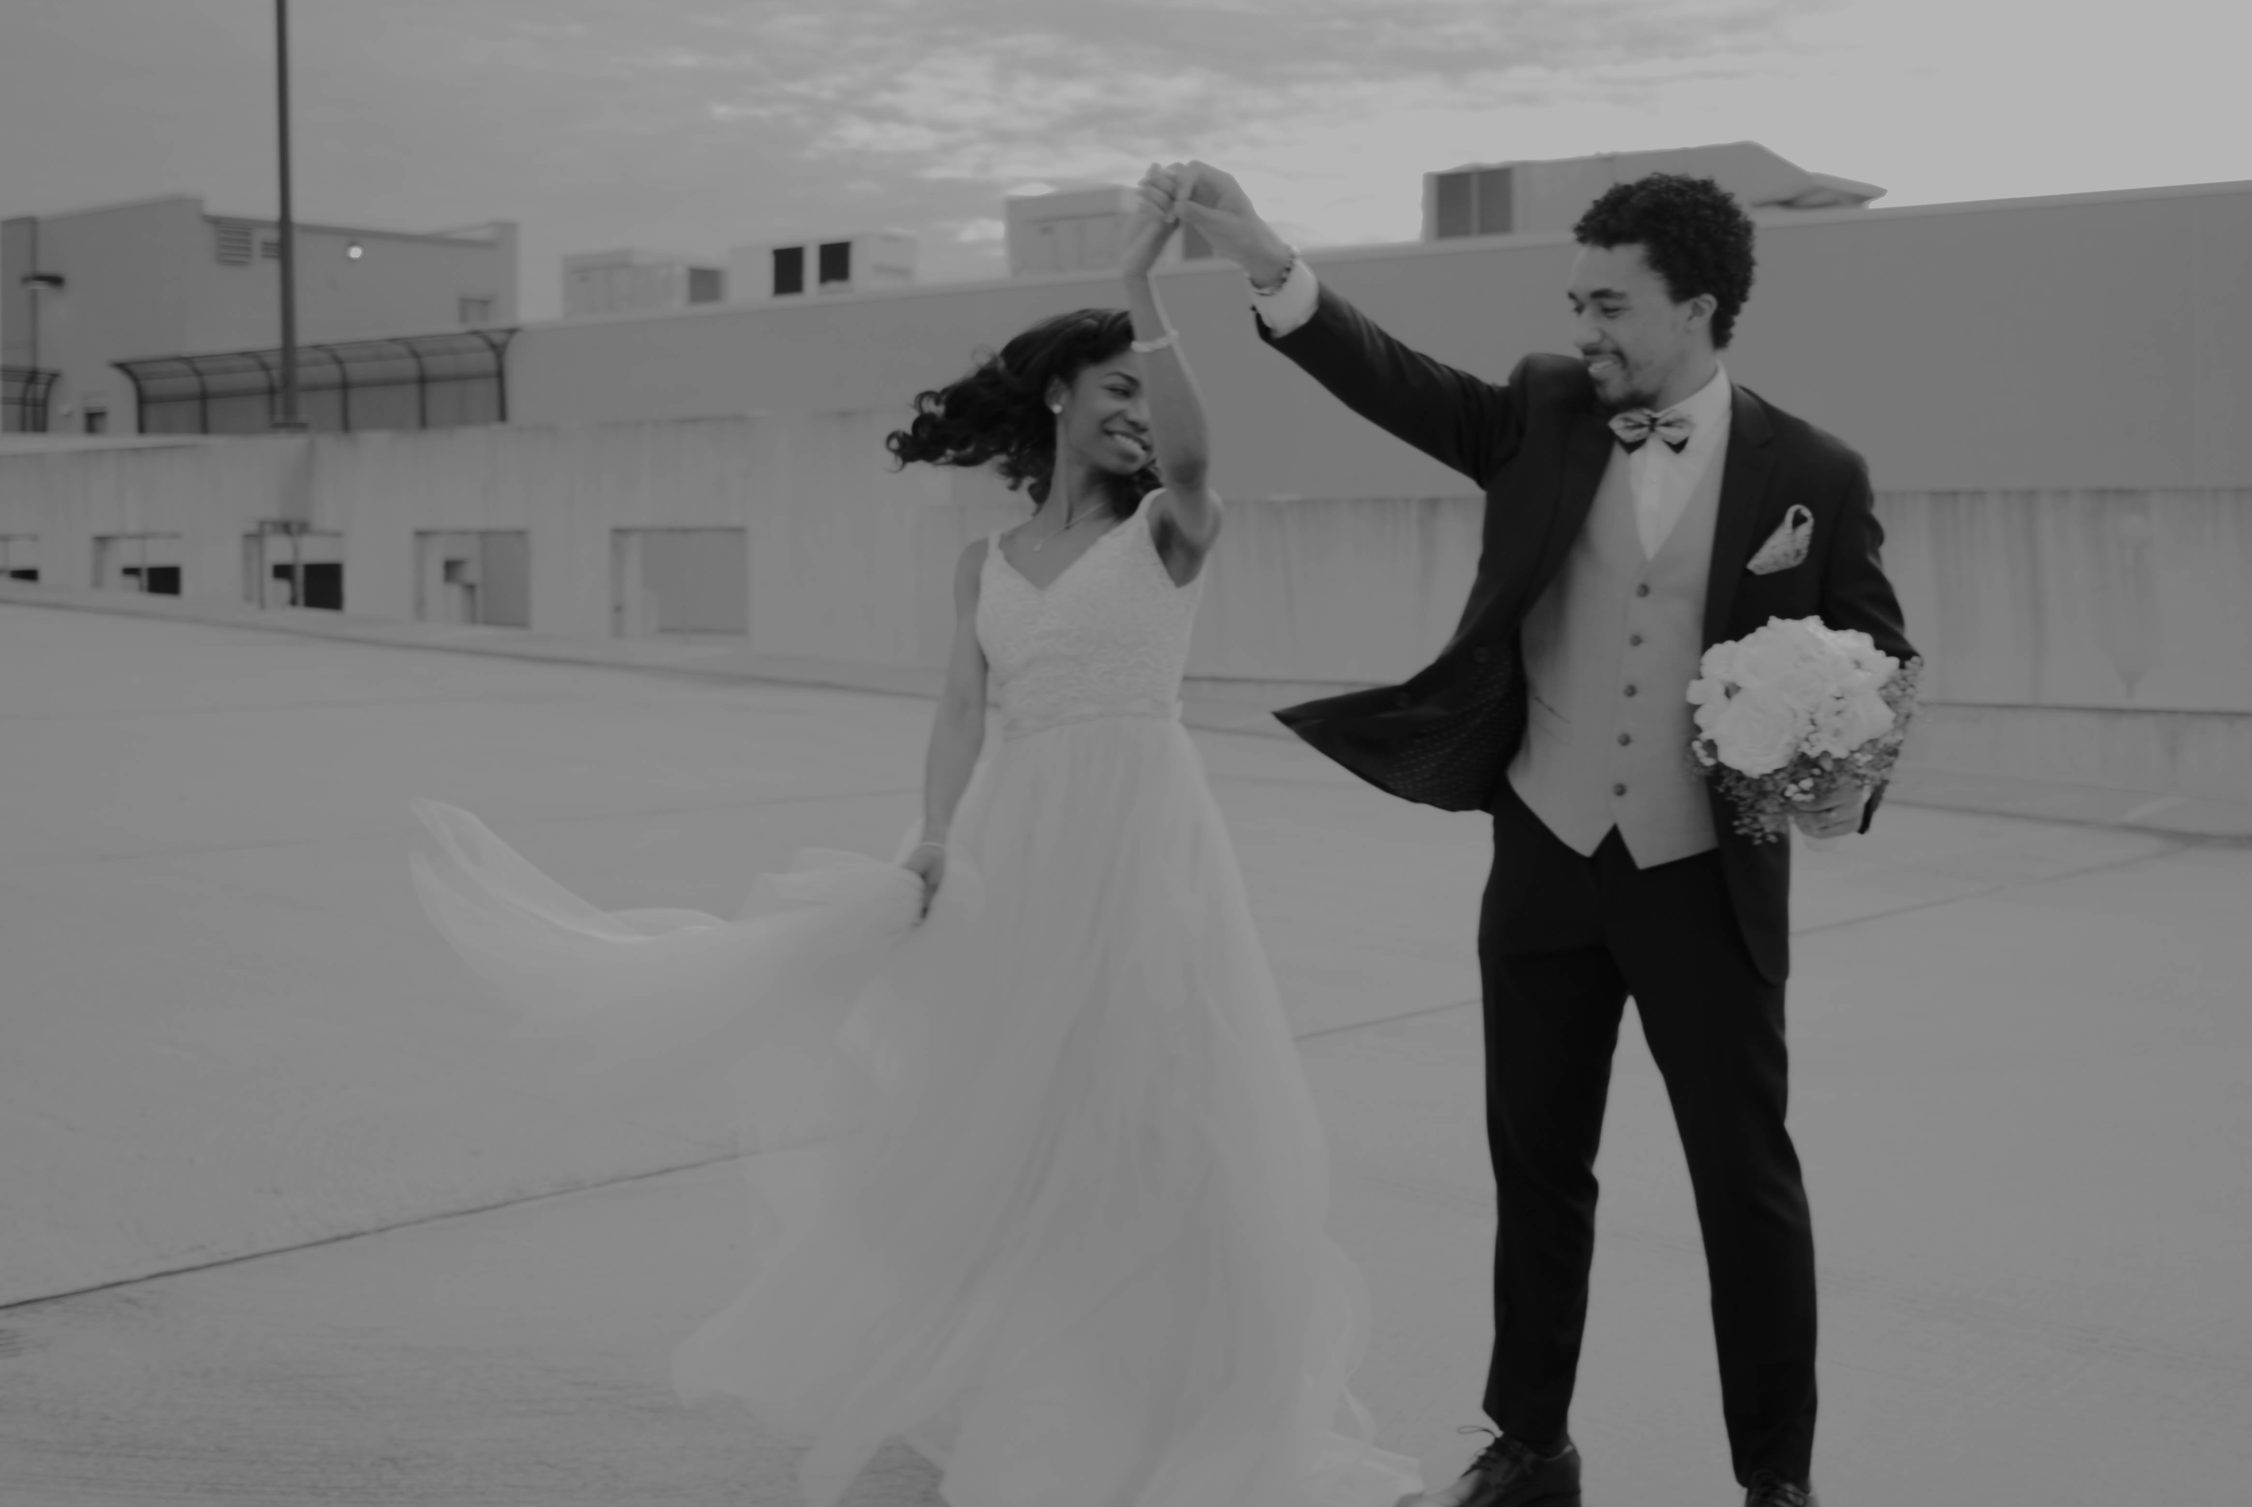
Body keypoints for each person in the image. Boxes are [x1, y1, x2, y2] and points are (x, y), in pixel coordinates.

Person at [409, 168, 1420, 1507]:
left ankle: (1167, 1402)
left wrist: (1140, 294)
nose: (1134, 413)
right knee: (1009, 1119)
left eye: (1144, 390)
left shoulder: (1174, 534)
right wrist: (935, 838)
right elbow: (960, 706)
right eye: (1112, 386)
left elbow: (1193, 453)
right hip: (1014, 840)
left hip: (1141, 846)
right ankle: (1038, 1379)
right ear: (1060, 399)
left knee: (1155, 1116)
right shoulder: (986, 563)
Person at [1157, 160, 1919, 1507]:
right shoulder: (1545, 416)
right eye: (1577, 299)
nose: (1588, 327)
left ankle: (1776, 1480)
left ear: (1696, 306)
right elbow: (1395, 380)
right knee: (1538, 1165)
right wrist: (1266, 259)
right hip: (1548, 861)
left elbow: (1876, 659)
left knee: (1747, 1188)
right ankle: (1532, 1446)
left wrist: (1822, 755)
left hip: (1704, 884)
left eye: (1612, 303)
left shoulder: (1815, 471)